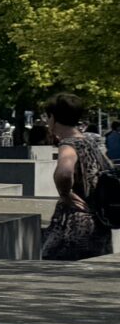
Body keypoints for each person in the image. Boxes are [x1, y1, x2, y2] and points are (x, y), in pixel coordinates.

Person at [40, 91, 112, 262]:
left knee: (56, 270)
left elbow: (64, 172)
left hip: (74, 223)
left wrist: (65, 194)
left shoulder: (68, 144)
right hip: (99, 221)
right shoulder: (91, 143)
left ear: (53, 118)